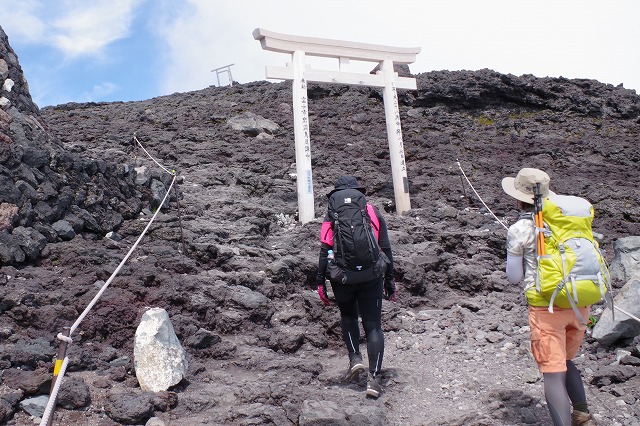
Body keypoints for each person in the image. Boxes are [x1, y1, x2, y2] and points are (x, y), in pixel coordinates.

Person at [502, 168, 597, 426]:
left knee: (553, 372)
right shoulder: (566, 220)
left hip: (546, 308)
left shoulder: (520, 228)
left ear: (518, 198)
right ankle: (582, 413)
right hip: (580, 301)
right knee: (566, 360)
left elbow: (513, 277)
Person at [315, 176, 396, 398]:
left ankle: (354, 359)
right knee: (373, 326)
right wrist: (389, 279)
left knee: (349, 317)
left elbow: (325, 250)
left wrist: (320, 281)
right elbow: (385, 248)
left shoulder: (332, 214)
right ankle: (374, 379)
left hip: (342, 278)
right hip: (371, 276)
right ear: (359, 192)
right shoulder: (372, 211)